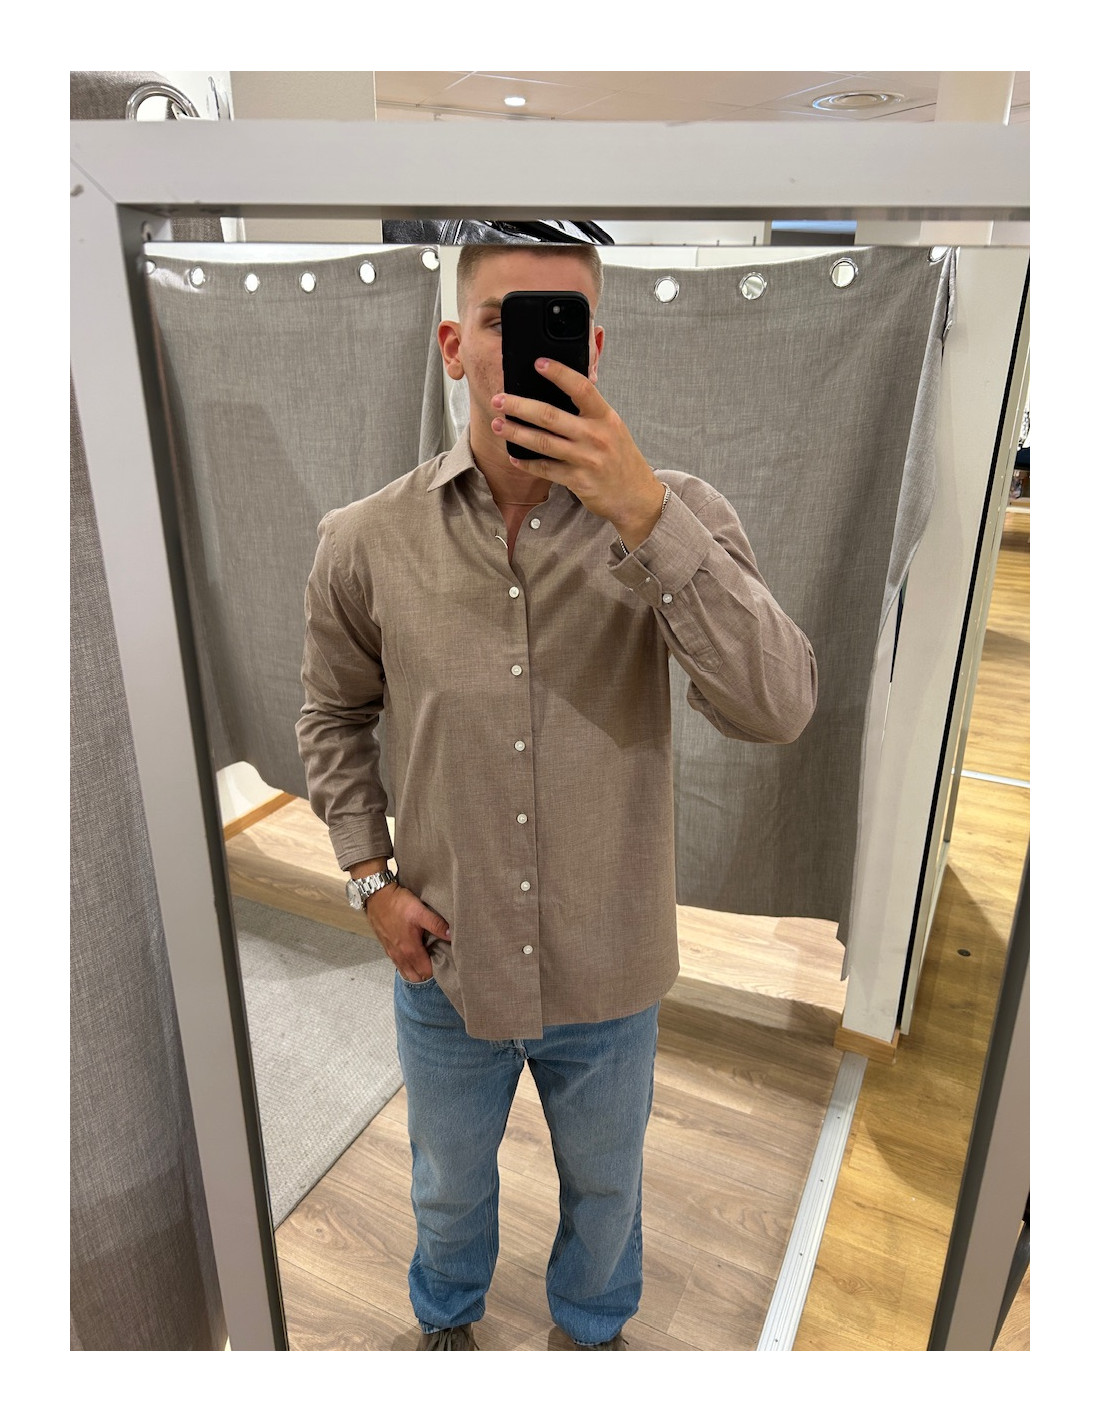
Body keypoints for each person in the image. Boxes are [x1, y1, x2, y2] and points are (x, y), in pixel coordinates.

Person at [296, 243, 818, 1351]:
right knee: (444, 1182)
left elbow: (777, 706)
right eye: (500, 318)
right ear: (454, 346)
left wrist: (646, 518)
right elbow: (332, 718)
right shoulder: (364, 540)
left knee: (608, 1186)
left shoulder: (676, 515)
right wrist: (370, 883)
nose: (526, 346)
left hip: (609, 964)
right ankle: (445, 1319)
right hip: (448, 957)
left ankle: (591, 1329)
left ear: (593, 348)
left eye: (560, 320)